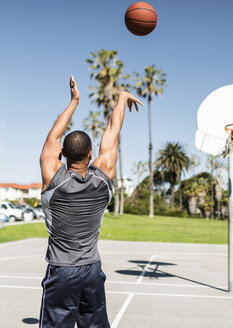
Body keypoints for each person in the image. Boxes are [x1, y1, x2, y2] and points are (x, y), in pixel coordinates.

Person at [39, 76, 143, 327]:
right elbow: (112, 135)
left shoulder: (54, 176)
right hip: (92, 271)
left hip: (62, 271)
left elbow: (52, 139)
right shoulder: (103, 176)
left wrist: (74, 101)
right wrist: (122, 98)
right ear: (90, 154)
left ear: (62, 155)